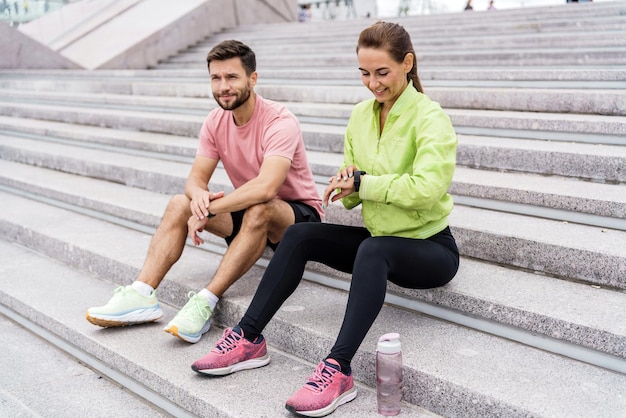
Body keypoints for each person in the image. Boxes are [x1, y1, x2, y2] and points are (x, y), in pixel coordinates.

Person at [191, 21, 460, 417]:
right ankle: (248, 338)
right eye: (364, 73)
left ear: (407, 63)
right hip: (380, 238)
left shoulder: (431, 118)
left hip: (430, 249)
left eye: (382, 72)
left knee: (372, 248)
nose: (373, 83)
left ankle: (339, 369)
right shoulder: (361, 117)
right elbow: (357, 182)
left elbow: (426, 189)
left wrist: (364, 184)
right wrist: (346, 185)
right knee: (300, 234)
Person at [85, 40, 323, 344]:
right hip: (250, 212)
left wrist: (210, 210)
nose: (223, 86)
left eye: (232, 77)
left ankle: (205, 302)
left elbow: (267, 187)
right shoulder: (215, 121)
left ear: (253, 78)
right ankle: (141, 294)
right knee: (179, 202)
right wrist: (198, 199)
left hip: (297, 219)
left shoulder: (280, 121)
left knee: (261, 207)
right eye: (216, 78)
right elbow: (196, 179)